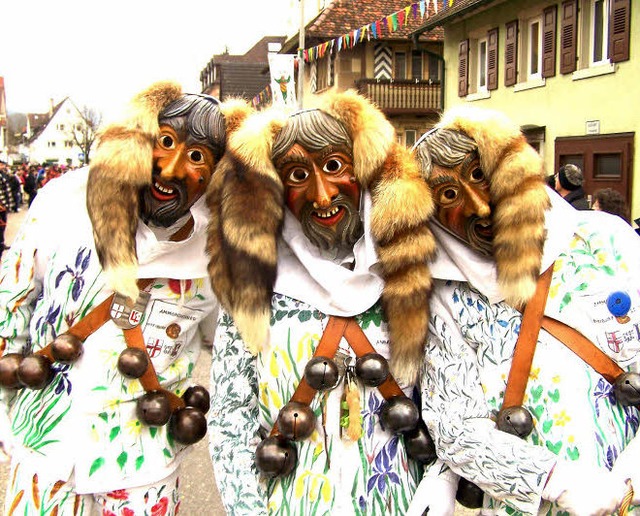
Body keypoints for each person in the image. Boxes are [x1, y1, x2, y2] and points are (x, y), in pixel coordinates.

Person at [0, 81, 250, 514]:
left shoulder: (218, 251)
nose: (171, 168)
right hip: (44, 452)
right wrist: (5, 418)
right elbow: (11, 307)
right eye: (166, 142)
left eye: (196, 157)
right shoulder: (65, 202)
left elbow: (225, 346)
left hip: (143, 467)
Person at [206, 90, 438, 515]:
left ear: (363, 172)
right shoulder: (254, 285)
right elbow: (229, 419)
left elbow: (439, 408)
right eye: (297, 175)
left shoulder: (410, 276)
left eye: (334, 167)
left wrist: (434, 495)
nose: (323, 195)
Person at [410, 105, 640, 515]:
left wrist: (630, 477)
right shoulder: (445, 295)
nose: (480, 205)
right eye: (449, 195)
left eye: (480, 175)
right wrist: (559, 483)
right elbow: (455, 426)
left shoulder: (607, 242)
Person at [0, 159, 15, 260]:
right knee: (1, 224)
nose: (3, 166)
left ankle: (1, 241)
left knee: (3, 224)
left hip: (4, 204)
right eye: (1, 165)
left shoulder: (3, 174)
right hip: (1, 203)